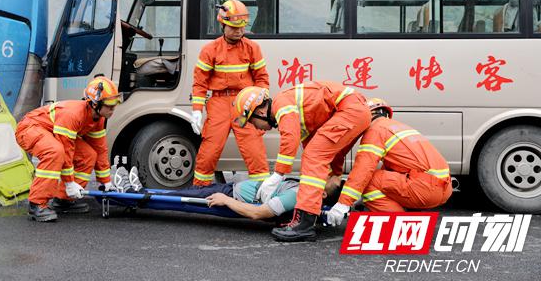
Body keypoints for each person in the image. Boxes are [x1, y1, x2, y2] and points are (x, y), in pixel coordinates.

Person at [234, 81, 371, 242]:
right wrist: (333, 179)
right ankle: (327, 201)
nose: (256, 128)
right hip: (354, 111)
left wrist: (277, 175)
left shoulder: (281, 103)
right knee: (315, 156)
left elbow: (290, 138)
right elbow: (323, 153)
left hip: (350, 111)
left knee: (313, 156)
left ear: (261, 111)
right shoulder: (298, 110)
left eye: (251, 121)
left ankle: (304, 223)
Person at [15, 76, 122, 222]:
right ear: (94, 103)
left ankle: (63, 199)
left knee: (89, 155)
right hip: (29, 128)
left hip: (51, 133)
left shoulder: (98, 118)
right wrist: (69, 182)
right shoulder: (73, 114)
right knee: (55, 152)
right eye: (109, 105)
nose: (113, 109)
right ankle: (37, 204)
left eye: (115, 104)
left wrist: (106, 182)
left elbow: (100, 149)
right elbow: (66, 150)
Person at [190, 0, 270, 186]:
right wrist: (196, 110)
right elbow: (200, 83)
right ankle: (199, 190)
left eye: (242, 27)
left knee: (254, 149)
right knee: (210, 150)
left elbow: (262, 79)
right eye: (234, 27)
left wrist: (261, 105)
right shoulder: (210, 50)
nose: (239, 31)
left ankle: (263, 191)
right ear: (223, 25)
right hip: (219, 104)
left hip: (245, 104)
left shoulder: (252, 48)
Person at [332, 98, 452, 222]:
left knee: (367, 182)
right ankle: (410, 216)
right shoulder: (397, 127)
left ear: (369, 114)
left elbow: (362, 170)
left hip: (425, 189)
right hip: (444, 188)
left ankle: (398, 223)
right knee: (379, 176)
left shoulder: (376, 130)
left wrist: (343, 203)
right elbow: (391, 170)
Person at [111, 167, 343, 221]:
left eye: (328, 179)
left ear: (322, 195)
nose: (326, 174)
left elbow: (258, 213)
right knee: (183, 193)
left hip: (230, 197)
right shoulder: (306, 187)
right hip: (231, 191)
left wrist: (226, 200)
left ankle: (129, 194)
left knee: (180, 199)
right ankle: (138, 190)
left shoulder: (298, 196)